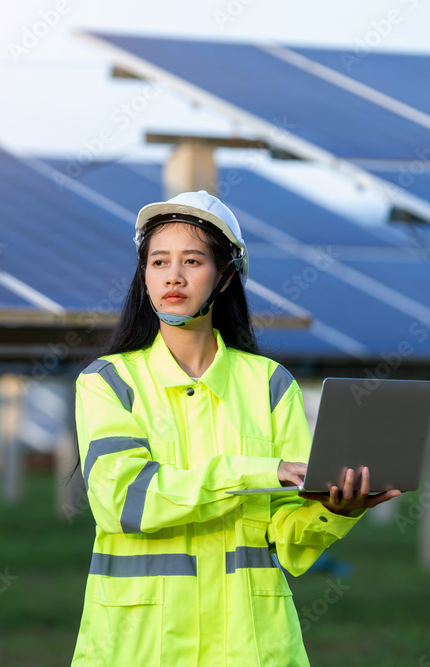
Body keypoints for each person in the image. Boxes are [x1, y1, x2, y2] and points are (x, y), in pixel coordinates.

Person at [71, 191, 400, 666]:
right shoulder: (108, 381)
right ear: (143, 277)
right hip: (140, 646)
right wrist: (260, 472)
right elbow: (123, 500)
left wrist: (337, 510)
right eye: (158, 262)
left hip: (251, 648)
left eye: (192, 261)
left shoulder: (269, 385)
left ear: (225, 276)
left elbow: (289, 540)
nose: (174, 277)